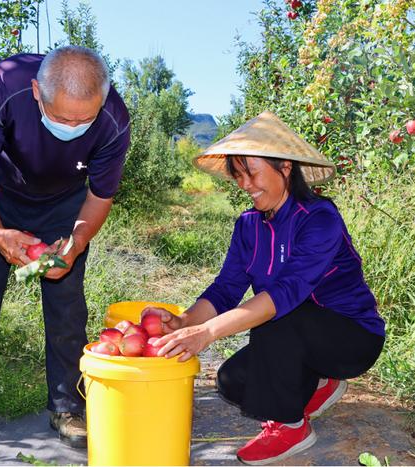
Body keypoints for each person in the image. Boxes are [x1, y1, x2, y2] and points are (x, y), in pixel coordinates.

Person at [145, 111, 385, 465]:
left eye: (252, 172)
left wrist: (207, 333)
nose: (244, 184)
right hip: (297, 335)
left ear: (285, 167)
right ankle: (321, 383)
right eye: (238, 175)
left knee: (277, 316)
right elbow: (226, 288)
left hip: (352, 337)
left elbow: (286, 293)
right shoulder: (248, 225)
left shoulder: (319, 217)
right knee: (233, 382)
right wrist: (185, 322)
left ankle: (290, 427)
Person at [0, 46, 130, 449]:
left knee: (67, 306)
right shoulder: (3, 84)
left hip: (65, 206)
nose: (73, 126)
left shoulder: (113, 117)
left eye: (84, 119)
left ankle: (66, 406)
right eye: (61, 117)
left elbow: (99, 196)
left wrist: (75, 244)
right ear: (37, 92)